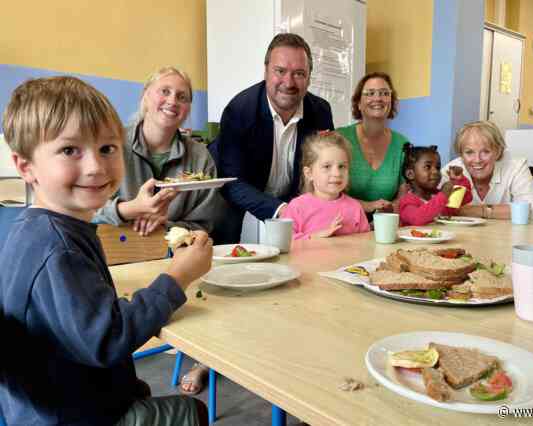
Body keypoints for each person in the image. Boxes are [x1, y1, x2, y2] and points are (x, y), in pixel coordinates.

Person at [0, 76, 212, 425]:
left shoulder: (39, 227)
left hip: (55, 398)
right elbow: (108, 338)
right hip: (70, 415)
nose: (95, 167)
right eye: (70, 150)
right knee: (192, 413)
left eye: (107, 149)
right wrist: (179, 275)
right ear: (26, 167)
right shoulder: (58, 248)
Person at [211, 33, 334, 245]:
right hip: (240, 187)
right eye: (280, 71)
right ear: (266, 71)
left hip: (293, 192)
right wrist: (280, 210)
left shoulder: (321, 111)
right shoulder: (239, 110)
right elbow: (231, 181)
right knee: (224, 227)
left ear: (309, 78)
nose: (288, 82)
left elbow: (324, 165)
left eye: (298, 73)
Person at [94, 66, 217, 235]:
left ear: (188, 109)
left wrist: (166, 225)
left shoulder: (200, 157)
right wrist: (131, 209)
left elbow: (204, 225)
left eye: (182, 97)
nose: (173, 101)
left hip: (172, 254)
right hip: (113, 253)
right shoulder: (110, 144)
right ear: (145, 96)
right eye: (165, 91)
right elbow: (83, 209)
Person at [336, 72, 409, 214]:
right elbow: (326, 192)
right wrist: (368, 206)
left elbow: (403, 196)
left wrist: (388, 211)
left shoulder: (402, 144)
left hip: (384, 224)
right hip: (342, 223)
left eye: (384, 93)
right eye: (370, 93)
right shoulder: (339, 138)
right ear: (358, 103)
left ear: (391, 102)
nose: (378, 98)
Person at [441, 121, 533, 220]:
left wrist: (479, 211)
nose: (477, 160)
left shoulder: (516, 167)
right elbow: (432, 207)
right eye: (469, 152)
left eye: (485, 152)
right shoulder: (451, 171)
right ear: (461, 155)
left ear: (498, 152)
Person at [280, 131, 369, 239]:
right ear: (309, 173)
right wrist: (316, 236)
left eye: (341, 166)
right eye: (327, 166)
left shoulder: (355, 208)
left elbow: (365, 244)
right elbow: (284, 240)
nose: (337, 173)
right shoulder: (297, 207)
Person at [399, 144, 472, 226]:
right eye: (428, 167)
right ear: (410, 174)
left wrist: (459, 180)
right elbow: (417, 218)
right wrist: (443, 195)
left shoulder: (438, 195)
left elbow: (466, 198)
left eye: (437, 167)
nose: (435, 172)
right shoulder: (407, 201)